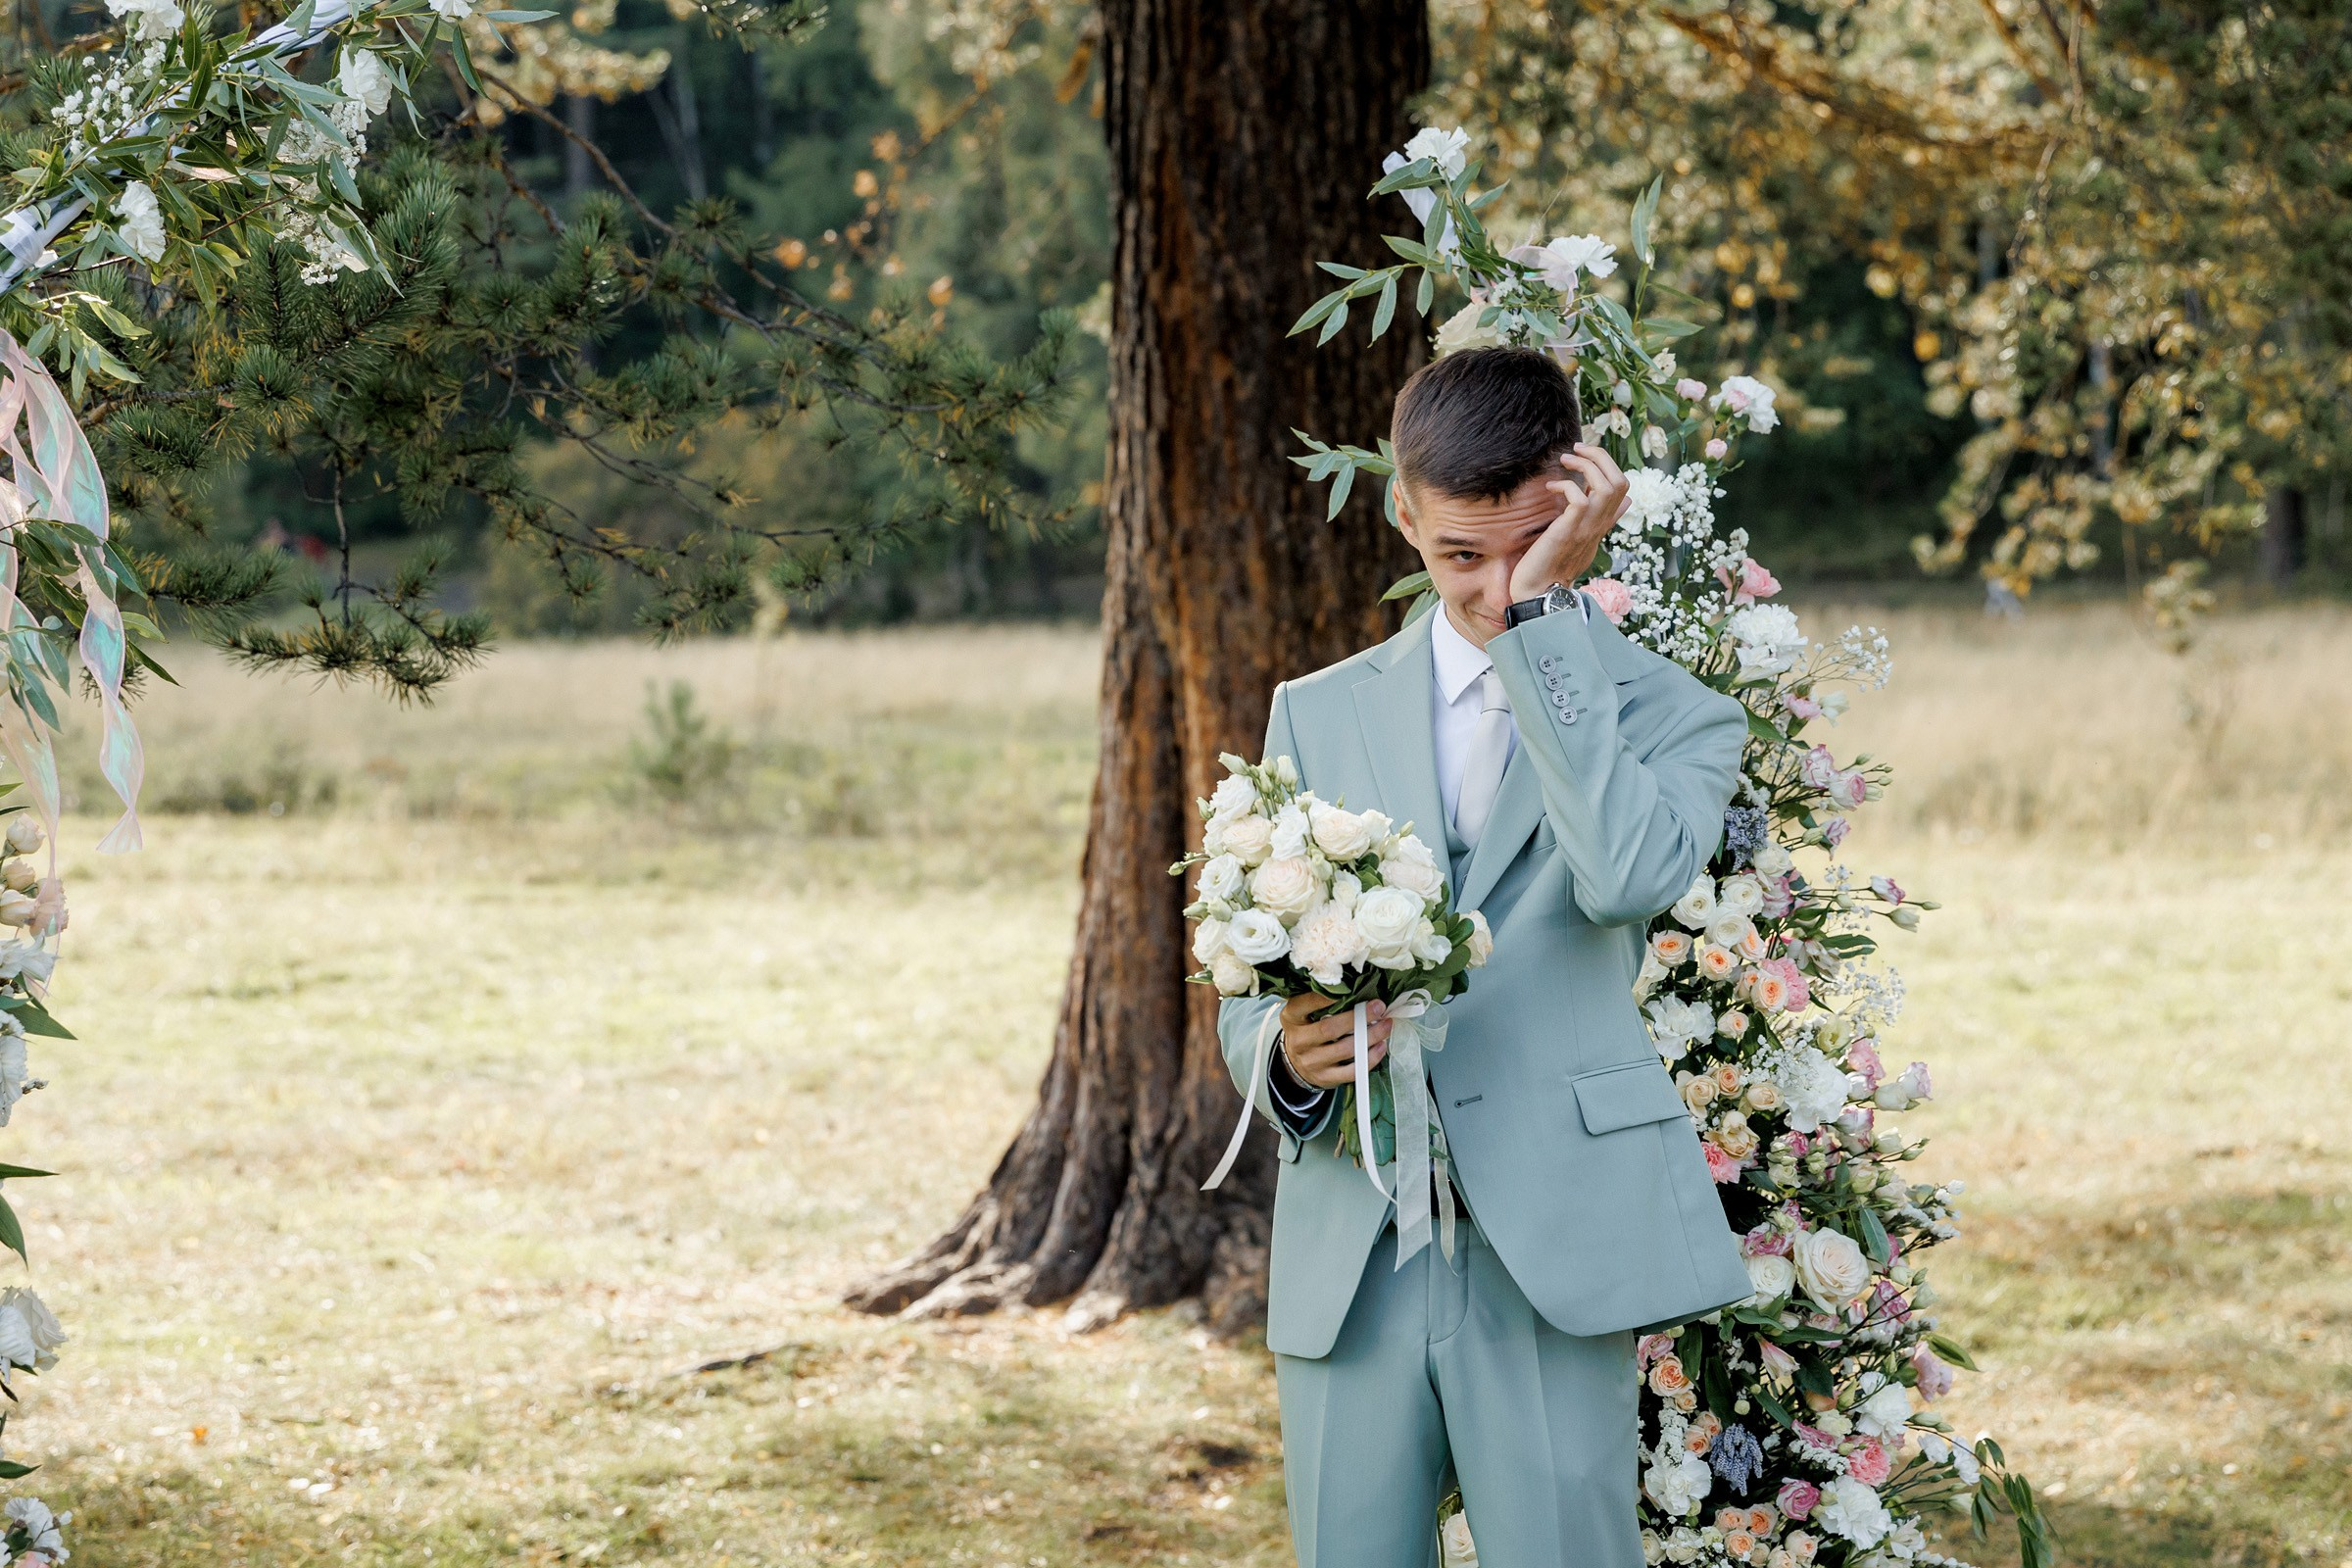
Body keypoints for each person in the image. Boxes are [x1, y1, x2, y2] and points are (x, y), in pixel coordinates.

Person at [1218, 346, 1752, 1567]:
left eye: (1528, 547)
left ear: (1581, 513)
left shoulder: (1674, 714)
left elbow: (1623, 875)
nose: (1491, 585)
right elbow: (1246, 987)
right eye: (1463, 555)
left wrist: (1543, 631)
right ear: (1404, 512)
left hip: (1552, 1243)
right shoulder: (1315, 708)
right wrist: (1286, 1056)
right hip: (1355, 1244)